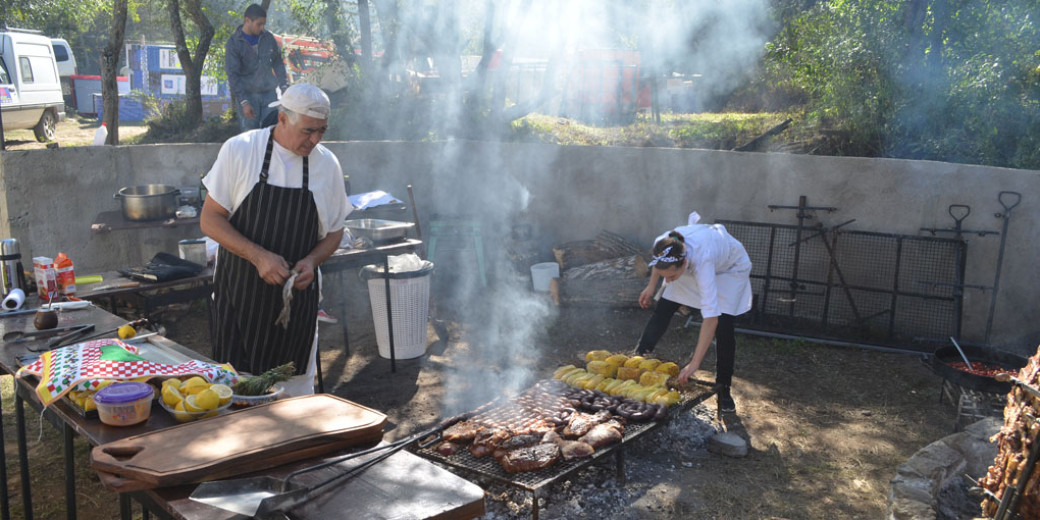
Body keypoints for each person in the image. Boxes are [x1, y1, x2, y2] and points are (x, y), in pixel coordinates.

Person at [200, 83, 350, 396]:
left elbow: (335, 232)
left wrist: (312, 260)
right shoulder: (241, 150)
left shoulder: (326, 165)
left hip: (296, 305)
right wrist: (258, 256)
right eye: (308, 130)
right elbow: (210, 220)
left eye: (322, 130)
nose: (316, 139)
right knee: (238, 395)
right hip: (241, 297)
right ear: (282, 119)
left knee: (294, 401)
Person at [634, 211, 753, 413]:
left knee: (724, 325)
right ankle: (636, 360)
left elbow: (711, 317)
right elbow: (660, 265)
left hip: (729, 269)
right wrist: (651, 286)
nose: (669, 281)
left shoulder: (702, 260)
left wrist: (694, 364)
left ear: (685, 264)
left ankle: (724, 387)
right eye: (667, 277)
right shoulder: (663, 244)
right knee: (664, 307)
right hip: (691, 261)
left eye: (671, 276)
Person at [225, 3, 290, 131]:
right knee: (250, 136)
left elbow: (277, 62)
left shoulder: (268, 38)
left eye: (263, 24)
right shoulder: (234, 43)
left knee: (273, 132)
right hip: (248, 97)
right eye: (259, 24)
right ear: (247, 20)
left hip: (269, 94)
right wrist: (244, 102)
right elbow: (233, 74)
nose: (262, 27)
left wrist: (283, 86)